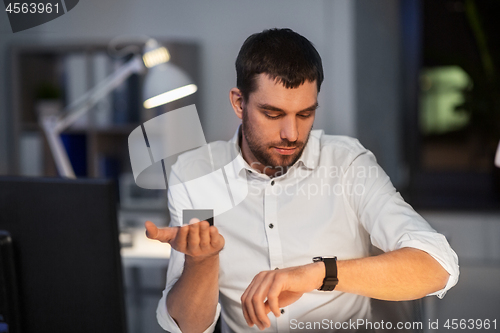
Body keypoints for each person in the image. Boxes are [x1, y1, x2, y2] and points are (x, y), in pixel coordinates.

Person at [145, 28, 459, 333]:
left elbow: (437, 265)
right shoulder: (196, 176)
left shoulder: (347, 164)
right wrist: (202, 263)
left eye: (305, 114)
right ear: (239, 103)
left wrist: (318, 273)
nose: (291, 134)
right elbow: (189, 327)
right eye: (273, 114)